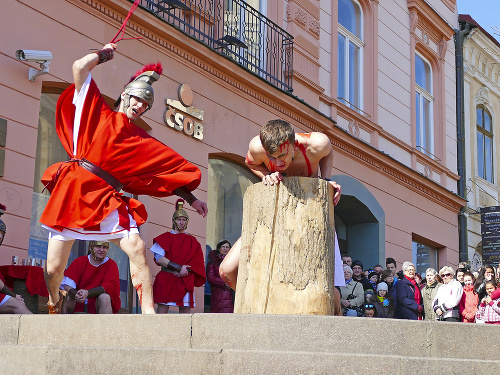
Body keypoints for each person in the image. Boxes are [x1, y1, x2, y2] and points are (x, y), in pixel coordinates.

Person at [39, 44, 207, 314]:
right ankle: (53, 299)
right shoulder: (98, 112)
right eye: (137, 98)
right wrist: (104, 54)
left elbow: (169, 170)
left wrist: (192, 199)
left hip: (107, 198)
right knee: (53, 270)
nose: (140, 105)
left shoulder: (141, 140)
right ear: (125, 95)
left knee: (138, 247)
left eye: (146, 104)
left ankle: (149, 314)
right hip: (74, 192)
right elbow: (79, 67)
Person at [218, 120, 343, 311]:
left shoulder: (317, 143)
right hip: (269, 219)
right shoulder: (257, 147)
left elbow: (328, 152)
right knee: (226, 271)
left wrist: (326, 181)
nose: (277, 163)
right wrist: (265, 174)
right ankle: (256, 305)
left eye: (282, 156)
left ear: (293, 145)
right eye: (272, 157)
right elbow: (250, 162)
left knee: (325, 289)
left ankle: (339, 325)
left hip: (309, 221)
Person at [151, 200, 206, 314]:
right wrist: (178, 268)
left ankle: (184, 332)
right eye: (179, 219)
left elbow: (197, 262)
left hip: (184, 279)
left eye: (184, 220)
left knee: (185, 311)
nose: (181, 222)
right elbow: (160, 259)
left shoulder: (193, 241)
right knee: (163, 310)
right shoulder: (164, 238)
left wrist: (184, 271)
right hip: (166, 278)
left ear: (187, 222)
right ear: (173, 221)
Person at [61, 241, 120, 314]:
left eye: (104, 247)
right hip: (77, 301)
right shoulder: (80, 261)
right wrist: (77, 295)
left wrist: (87, 293)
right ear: (90, 248)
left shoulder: (111, 264)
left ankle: (106, 325)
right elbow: (68, 286)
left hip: (97, 302)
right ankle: (64, 324)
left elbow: (109, 287)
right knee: (67, 296)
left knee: (105, 298)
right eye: (98, 247)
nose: (101, 250)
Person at [206, 239, 234, 313]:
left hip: (231, 294)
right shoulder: (212, 262)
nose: (225, 249)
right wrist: (224, 283)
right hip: (218, 294)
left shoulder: (233, 262)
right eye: (223, 247)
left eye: (227, 247)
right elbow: (211, 278)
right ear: (219, 248)